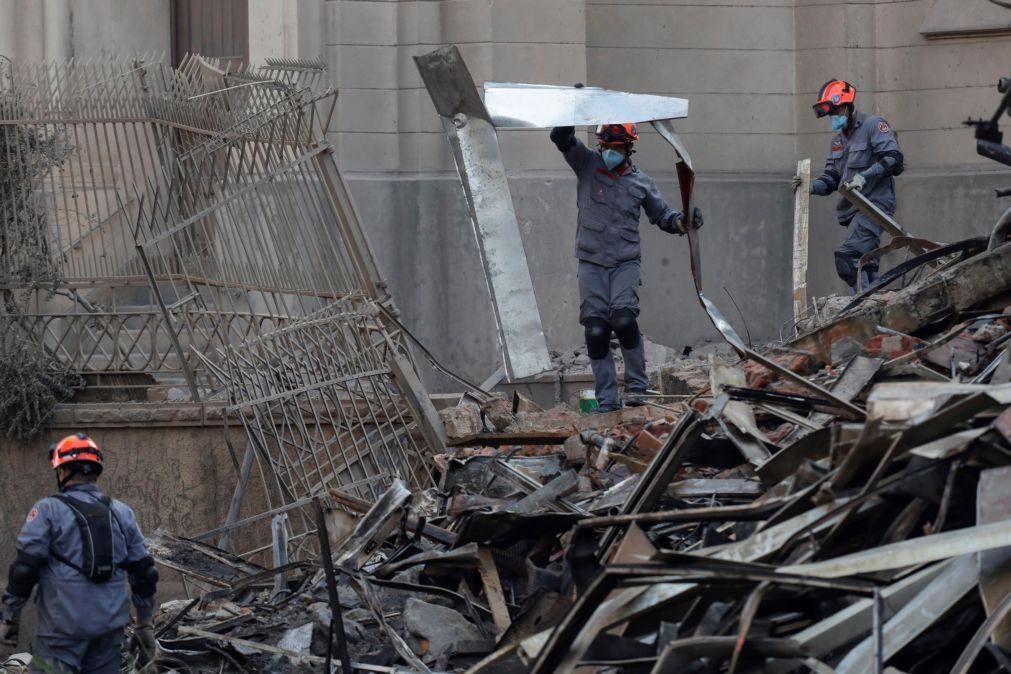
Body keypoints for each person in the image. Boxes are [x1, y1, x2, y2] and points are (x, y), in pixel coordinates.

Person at [551, 121, 702, 412]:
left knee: (623, 320)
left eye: (617, 148)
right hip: (591, 262)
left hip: (625, 262)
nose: (610, 152)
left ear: (628, 148)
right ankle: (607, 399)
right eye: (606, 146)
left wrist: (684, 222)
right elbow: (561, 137)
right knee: (595, 330)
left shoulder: (640, 182)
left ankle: (637, 387)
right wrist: (574, 108)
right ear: (600, 145)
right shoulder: (586, 164)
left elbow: (664, 217)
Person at [0, 433, 158, 673]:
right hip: (109, 630)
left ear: (62, 472)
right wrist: (145, 624)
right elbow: (145, 572)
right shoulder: (122, 512)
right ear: (95, 471)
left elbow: (24, 570)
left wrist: (10, 617)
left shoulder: (48, 510)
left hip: (60, 633)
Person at [794, 79, 904, 292]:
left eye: (836, 112)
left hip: (874, 206)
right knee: (866, 263)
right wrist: (811, 187)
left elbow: (894, 158)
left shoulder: (873, 126)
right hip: (853, 212)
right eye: (830, 115)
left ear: (847, 106)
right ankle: (873, 304)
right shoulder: (837, 142)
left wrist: (865, 176)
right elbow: (832, 177)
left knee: (848, 258)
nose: (833, 118)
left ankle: (861, 304)